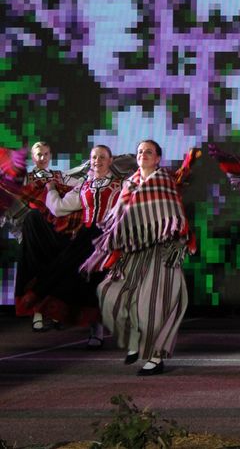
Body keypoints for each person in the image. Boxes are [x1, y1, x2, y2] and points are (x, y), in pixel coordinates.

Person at [84, 140, 195, 375]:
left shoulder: (164, 182)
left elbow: (173, 216)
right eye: (140, 151)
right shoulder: (130, 184)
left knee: (154, 305)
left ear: (158, 158)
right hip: (133, 251)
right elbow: (119, 219)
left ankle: (156, 357)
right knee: (111, 293)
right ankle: (135, 340)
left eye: (149, 152)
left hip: (161, 252)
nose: (143, 155)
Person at [23, 146, 122, 347]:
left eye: (102, 157)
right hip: (87, 239)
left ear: (110, 160)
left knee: (104, 282)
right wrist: (51, 188)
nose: (97, 160)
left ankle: (111, 327)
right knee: (75, 278)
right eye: (94, 157)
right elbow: (59, 208)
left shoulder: (121, 185)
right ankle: (92, 327)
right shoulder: (84, 186)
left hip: (110, 237)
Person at [15, 142, 76, 332]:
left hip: (56, 229)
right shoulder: (25, 178)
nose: (42, 158)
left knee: (56, 268)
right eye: (39, 154)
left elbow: (78, 189)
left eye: (46, 154)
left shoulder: (60, 175)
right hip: (34, 230)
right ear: (33, 157)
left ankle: (56, 313)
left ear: (50, 155)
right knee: (35, 268)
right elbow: (16, 203)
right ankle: (38, 314)